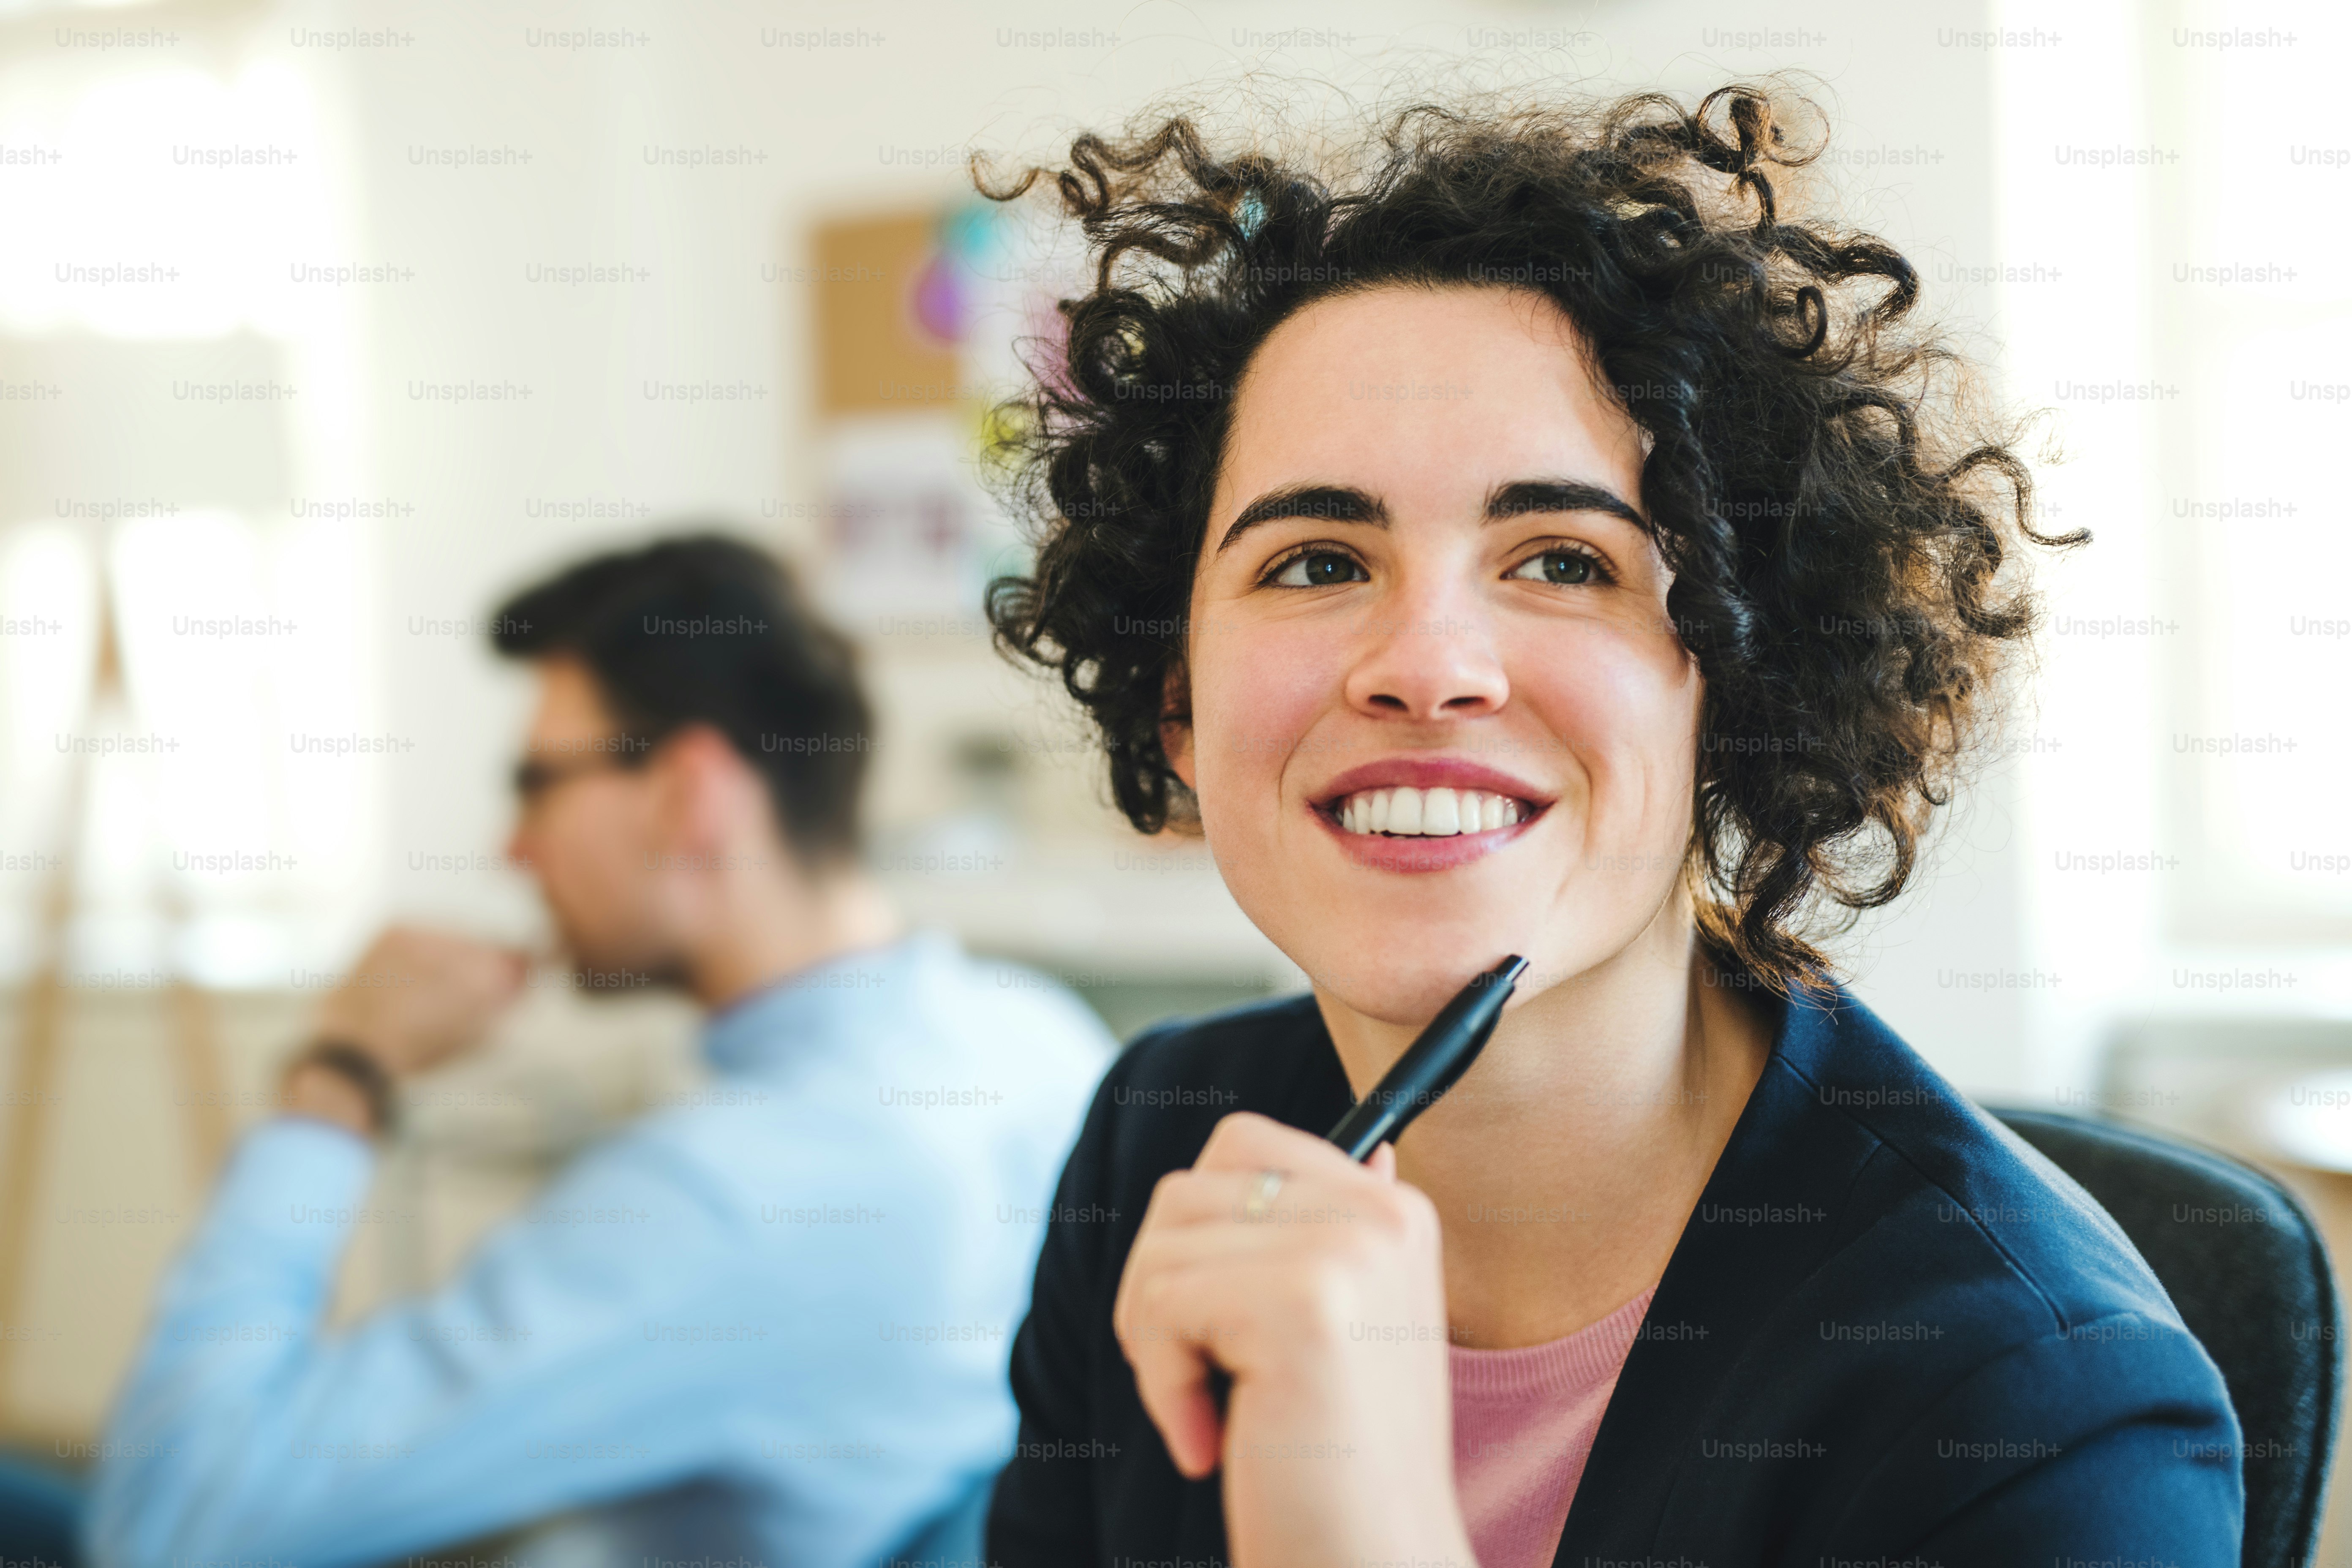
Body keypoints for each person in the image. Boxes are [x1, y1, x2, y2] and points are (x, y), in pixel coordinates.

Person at [978, 88, 2242, 1567]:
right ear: (1174, 697)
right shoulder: (1165, 1141)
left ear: (1743, 682)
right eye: (1316, 558)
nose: (1424, 661)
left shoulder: (2037, 1411)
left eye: (1563, 559)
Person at [84, 533, 1114, 1568]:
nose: (511, 845)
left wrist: (341, 1074)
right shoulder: (1040, 1032)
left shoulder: (730, 1195)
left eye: (538, 782)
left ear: (689, 794)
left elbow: (175, 1524)